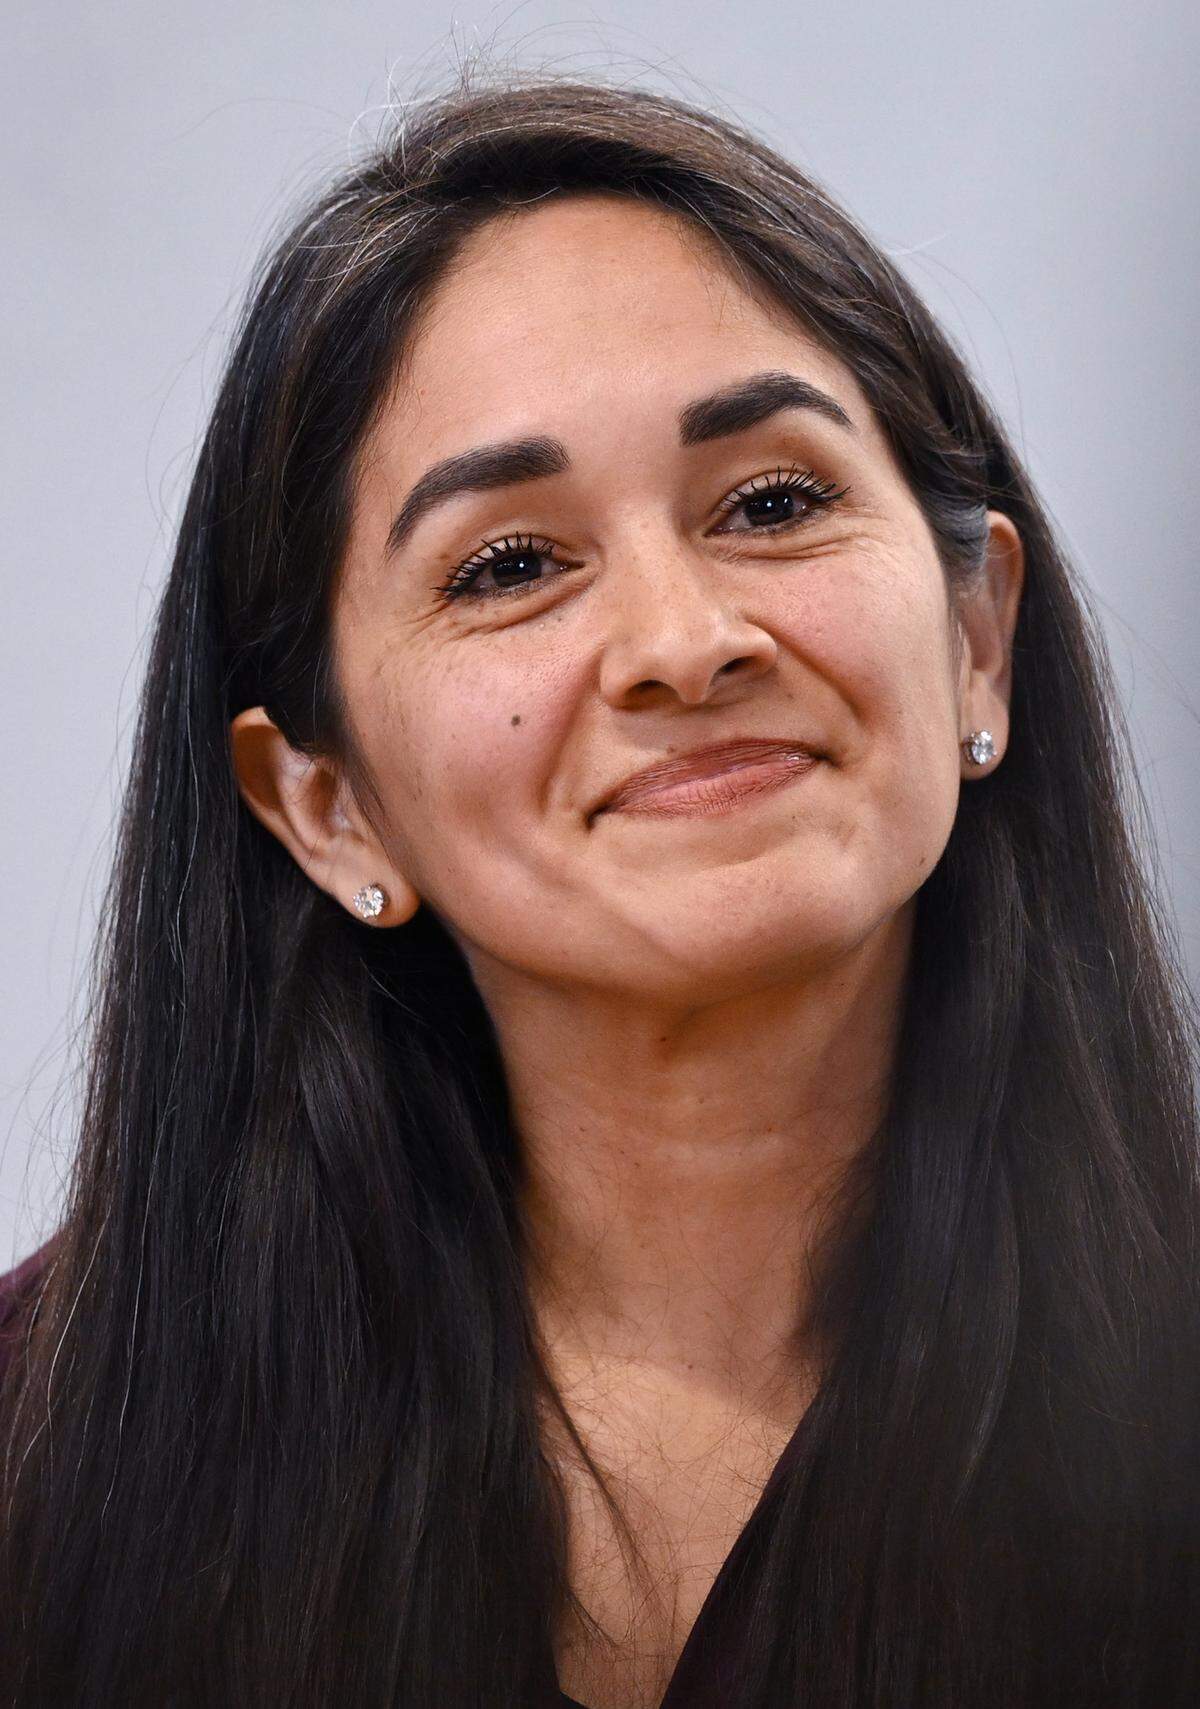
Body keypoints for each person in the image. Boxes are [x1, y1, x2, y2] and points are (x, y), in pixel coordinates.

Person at [1, 66, 1197, 1709]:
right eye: (510, 564)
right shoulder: (40, 1457)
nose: (684, 640)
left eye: (772, 501)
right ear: (329, 806)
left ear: (978, 635)